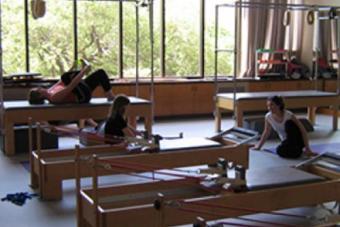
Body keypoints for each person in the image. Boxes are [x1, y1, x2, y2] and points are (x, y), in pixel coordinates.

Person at [28, 59, 114, 127]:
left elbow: (62, 81)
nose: (39, 87)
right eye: (38, 89)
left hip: (80, 89)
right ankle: (84, 68)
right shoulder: (53, 97)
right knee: (65, 77)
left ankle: (109, 95)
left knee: (100, 73)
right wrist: (84, 71)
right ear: (40, 95)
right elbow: (71, 86)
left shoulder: (50, 90)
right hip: (82, 97)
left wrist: (73, 67)